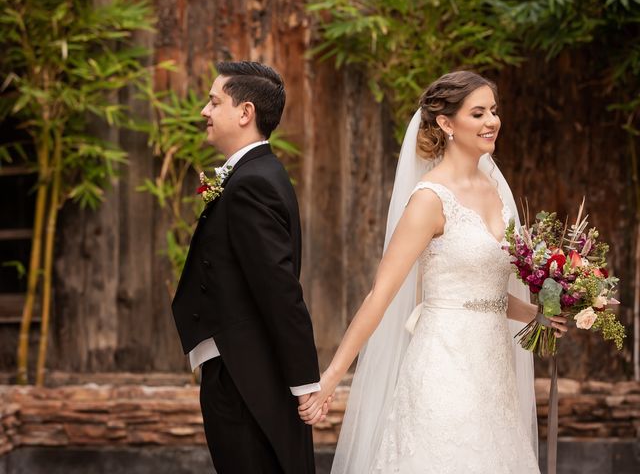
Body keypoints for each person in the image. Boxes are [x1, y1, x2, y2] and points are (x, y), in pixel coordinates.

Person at [298, 71, 568, 473]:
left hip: (494, 373)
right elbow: (381, 295)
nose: (491, 121)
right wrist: (332, 377)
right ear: (446, 123)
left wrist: (539, 313)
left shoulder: (496, 190)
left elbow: (485, 290)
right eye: (477, 113)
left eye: (493, 111)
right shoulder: (430, 198)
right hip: (444, 366)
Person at [171, 61, 326, 474]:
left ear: (245, 113)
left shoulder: (251, 183)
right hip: (241, 370)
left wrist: (307, 383)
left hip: (245, 380)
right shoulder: (255, 174)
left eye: (214, 101)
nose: (204, 111)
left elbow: (279, 289)